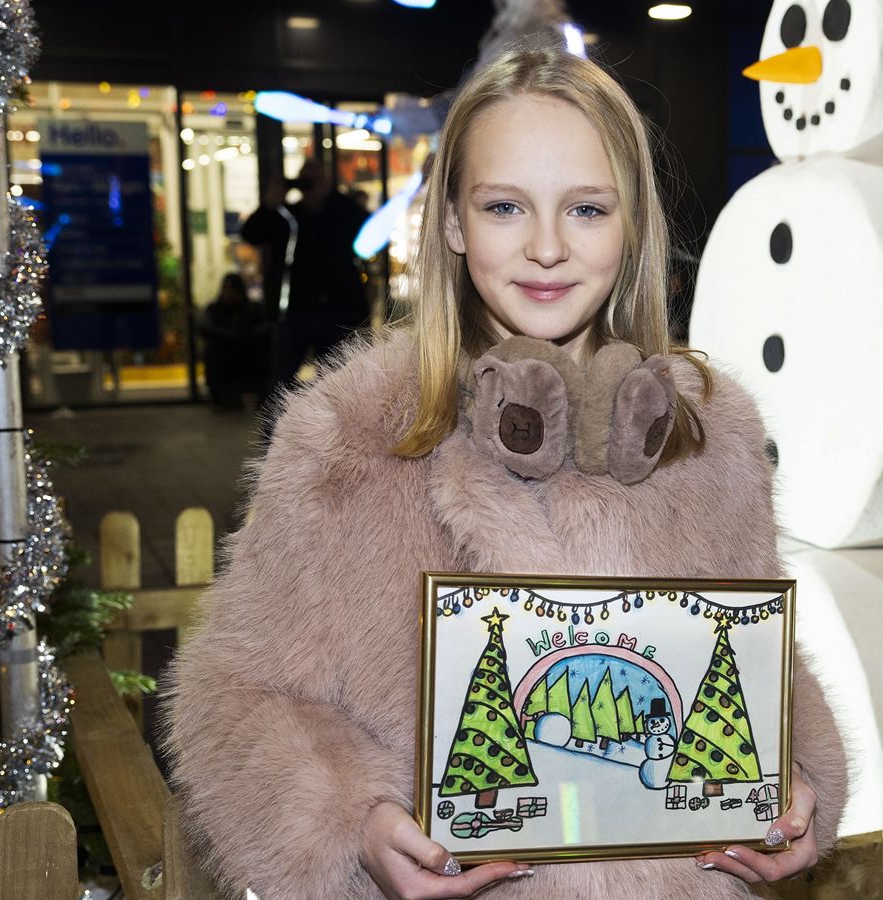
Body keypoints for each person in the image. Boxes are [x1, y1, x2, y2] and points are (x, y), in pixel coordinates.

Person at [164, 45, 848, 899]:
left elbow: (758, 670)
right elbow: (233, 694)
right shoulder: (348, 439)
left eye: (588, 209)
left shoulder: (712, 439)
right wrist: (356, 820)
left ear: (632, 221)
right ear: (453, 221)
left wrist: (794, 790)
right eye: (505, 206)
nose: (548, 248)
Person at [241, 159, 371, 410]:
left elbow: (364, 225)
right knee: (281, 384)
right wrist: (269, 204)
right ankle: (275, 441)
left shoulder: (339, 212)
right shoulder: (287, 216)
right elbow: (251, 233)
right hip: (295, 312)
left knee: (337, 383)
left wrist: (332, 195)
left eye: (316, 178)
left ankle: (333, 440)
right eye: (306, 179)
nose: (311, 184)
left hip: (336, 311)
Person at [197, 273, 270, 410]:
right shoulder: (214, 309)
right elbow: (205, 327)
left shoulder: (252, 309)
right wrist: (229, 336)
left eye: (233, 290)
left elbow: (266, 328)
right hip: (224, 360)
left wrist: (245, 336)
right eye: (226, 290)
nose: (229, 295)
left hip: (249, 358)